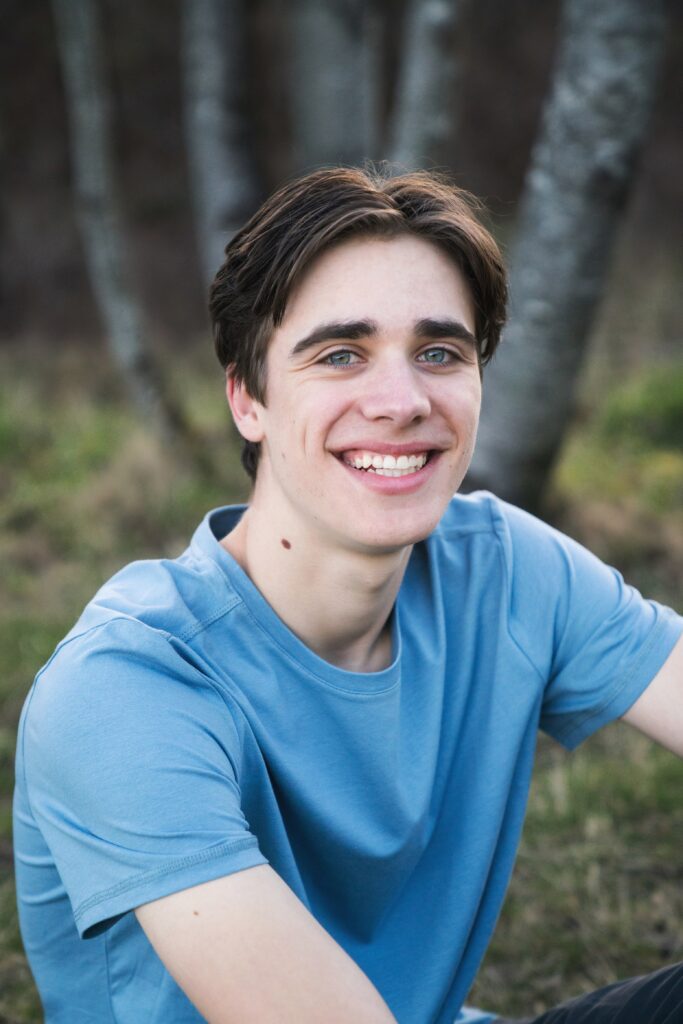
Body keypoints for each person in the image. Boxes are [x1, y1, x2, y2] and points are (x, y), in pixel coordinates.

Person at [13, 167, 683, 1024]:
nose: (403, 402)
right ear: (247, 398)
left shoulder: (503, 567)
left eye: (439, 352)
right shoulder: (124, 689)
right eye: (340, 354)